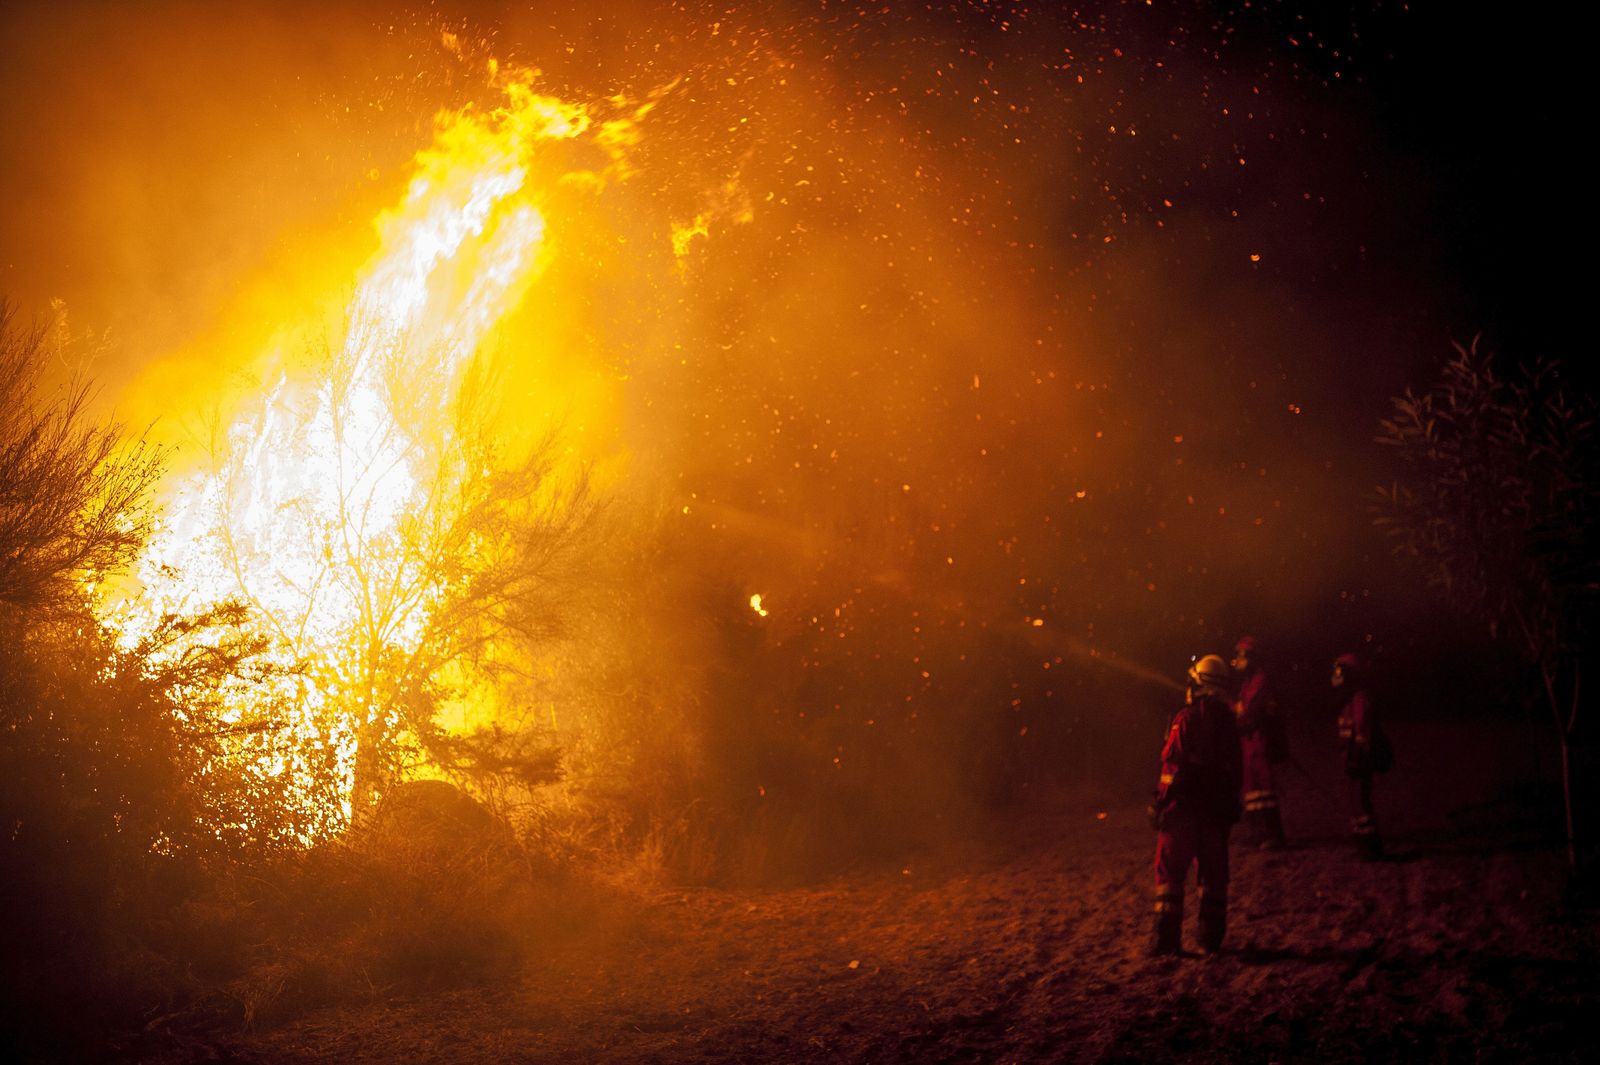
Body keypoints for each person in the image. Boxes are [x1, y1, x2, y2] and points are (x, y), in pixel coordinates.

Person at [1149, 654, 1243, 956]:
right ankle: (1210, 938)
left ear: (1198, 682)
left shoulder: (1186, 718)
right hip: (1216, 812)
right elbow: (1235, 768)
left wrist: (1160, 802)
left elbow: (1172, 765)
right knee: (1214, 875)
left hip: (1183, 810)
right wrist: (1231, 803)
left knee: (1169, 874)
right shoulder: (1229, 721)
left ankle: (1166, 940)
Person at [1232, 636, 1287, 850]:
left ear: (1252, 658)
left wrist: (1230, 710)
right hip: (1248, 741)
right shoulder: (1248, 681)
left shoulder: (1260, 681)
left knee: (1264, 788)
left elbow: (1248, 711)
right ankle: (1258, 834)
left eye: (1241, 656)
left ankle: (1274, 834)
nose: (1237, 660)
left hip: (1259, 740)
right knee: (1251, 789)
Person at [1333, 652, 1385, 861]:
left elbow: (1363, 728)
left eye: (1339, 671)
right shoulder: (1349, 699)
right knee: (1354, 800)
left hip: (1359, 759)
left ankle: (1371, 845)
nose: (1335, 675)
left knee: (1361, 800)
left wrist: (1358, 754)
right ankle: (1361, 842)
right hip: (1351, 757)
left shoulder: (1359, 698)